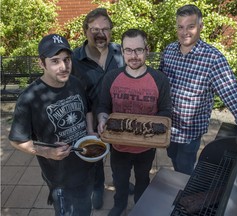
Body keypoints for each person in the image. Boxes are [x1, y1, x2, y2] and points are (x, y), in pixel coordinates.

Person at [159, 4, 237, 175]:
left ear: (200, 27)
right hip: (168, 126)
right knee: (173, 159)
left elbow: (230, 91)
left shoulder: (213, 58)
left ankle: (185, 196)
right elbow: (160, 82)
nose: (184, 32)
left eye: (191, 26)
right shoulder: (169, 51)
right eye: (180, 27)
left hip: (190, 131)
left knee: (185, 168)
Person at [8, 34, 95, 215]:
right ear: (42, 63)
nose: (64, 67)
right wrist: (47, 152)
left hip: (86, 167)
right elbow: (17, 140)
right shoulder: (29, 98)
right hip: (60, 177)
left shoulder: (75, 83)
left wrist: (90, 131)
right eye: (55, 61)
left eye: (67, 59)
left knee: (85, 209)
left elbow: (87, 109)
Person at [97, 29, 172, 216]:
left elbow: (165, 111)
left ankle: (140, 206)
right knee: (120, 180)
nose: (134, 55)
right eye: (128, 50)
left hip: (146, 148)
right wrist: (101, 118)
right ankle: (119, 205)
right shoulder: (111, 77)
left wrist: (158, 132)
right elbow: (103, 105)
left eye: (139, 50)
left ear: (147, 50)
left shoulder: (159, 79)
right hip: (119, 147)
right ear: (122, 52)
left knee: (143, 179)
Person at [71, 8, 134, 210]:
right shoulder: (74, 60)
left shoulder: (121, 53)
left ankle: (121, 182)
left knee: (120, 156)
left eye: (105, 29)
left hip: (118, 118)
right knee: (94, 159)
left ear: (111, 31)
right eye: (95, 29)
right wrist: (90, 125)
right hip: (89, 120)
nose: (100, 34)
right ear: (85, 31)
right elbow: (75, 93)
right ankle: (97, 187)